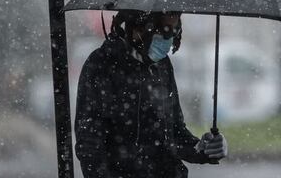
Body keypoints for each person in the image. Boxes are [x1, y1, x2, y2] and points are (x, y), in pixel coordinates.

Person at [75, 10, 227, 178]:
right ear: (141, 26)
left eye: (175, 30)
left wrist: (202, 149)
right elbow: (90, 144)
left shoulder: (162, 65)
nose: (168, 40)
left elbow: (174, 134)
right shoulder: (102, 65)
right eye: (165, 30)